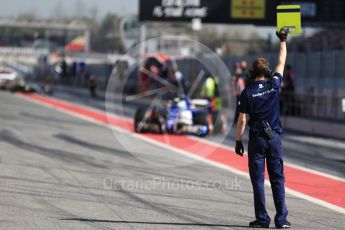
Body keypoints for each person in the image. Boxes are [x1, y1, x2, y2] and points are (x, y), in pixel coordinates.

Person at [235, 28, 291, 229]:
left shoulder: (247, 92)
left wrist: (238, 140)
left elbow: (242, 119)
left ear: (252, 73)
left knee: (258, 181)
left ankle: (262, 219)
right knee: (277, 179)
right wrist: (282, 40)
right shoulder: (274, 85)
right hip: (274, 138)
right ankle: (282, 220)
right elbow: (281, 62)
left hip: (257, 140)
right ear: (267, 72)